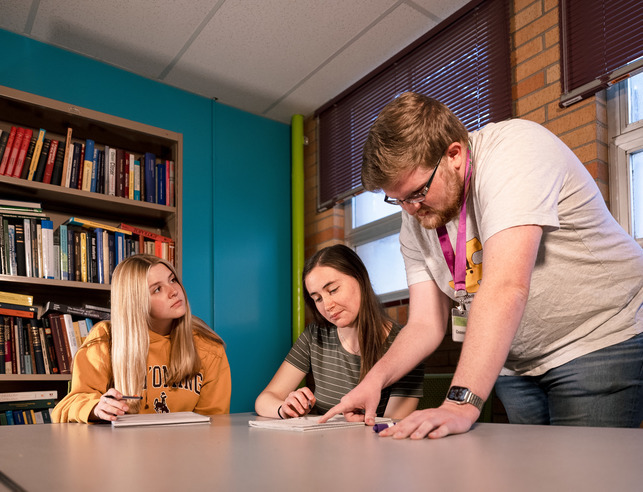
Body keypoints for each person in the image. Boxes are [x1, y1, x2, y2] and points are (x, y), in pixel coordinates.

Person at [320, 92, 643, 438]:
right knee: (536, 477)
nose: (410, 209)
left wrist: (460, 403)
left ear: (454, 155)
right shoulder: (414, 217)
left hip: (596, 338)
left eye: (416, 192)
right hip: (514, 363)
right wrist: (374, 380)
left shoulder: (514, 151)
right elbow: (425, 324)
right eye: (396, 200)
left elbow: (506, 286)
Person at [52, 254, 231, 423]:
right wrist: (96, 408)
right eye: (157, 289)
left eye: (172, 280)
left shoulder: (208, 346)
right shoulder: (106, 339)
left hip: (186, 450)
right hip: (123, 451)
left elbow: (214, 423)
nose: (174, 291)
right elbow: (66, 407)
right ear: (136, 302)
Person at [255, 244, 423, 419]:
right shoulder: (315, 335)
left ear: (359, 278)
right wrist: (284, 409)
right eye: (317, 298)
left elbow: (392, 425)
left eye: (333, 290)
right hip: (321, 443)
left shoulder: (405, 344)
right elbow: (264, 400)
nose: (327, 306)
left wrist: (360, 424)